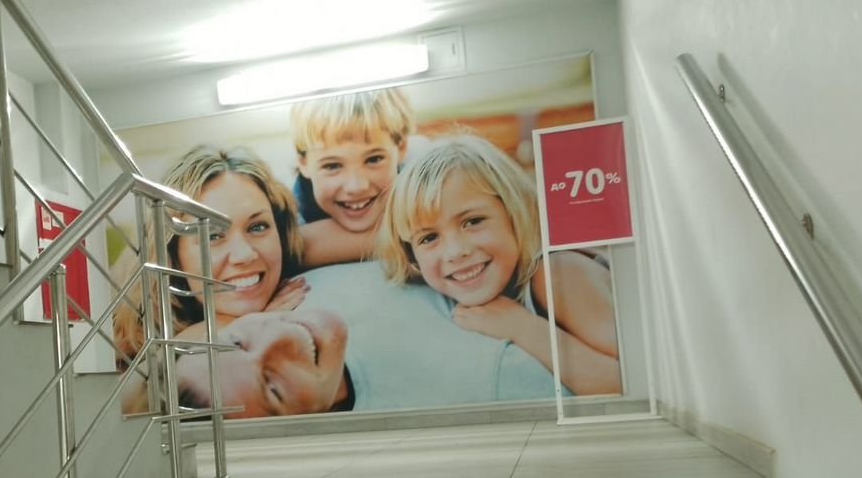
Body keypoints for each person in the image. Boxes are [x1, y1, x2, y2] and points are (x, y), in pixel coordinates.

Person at [376, 133, 621, 396]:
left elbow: (632, 380)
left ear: (514, 212)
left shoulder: (558, 274)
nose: (455, 252)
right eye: (429, 238)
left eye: (472, 222)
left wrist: (522, 327)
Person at [176, 261, 559, 418]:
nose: (282, 335)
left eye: (238, 342)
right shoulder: (488, 388)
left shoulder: (298, 284)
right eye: (273, 388)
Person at [113, 143, 306, 363]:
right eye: (212, 236)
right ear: (172, 256)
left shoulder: (295, 264)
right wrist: (246, 326)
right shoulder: (124, 346)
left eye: (258, 227)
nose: (244, 255)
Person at [290, 87, 413, 268]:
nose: (356, 186)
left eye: (373, 159)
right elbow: (286, 249)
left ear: (401, 148)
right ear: (303, 163)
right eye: (332, 166)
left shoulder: (423, 174)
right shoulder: (292, 211)